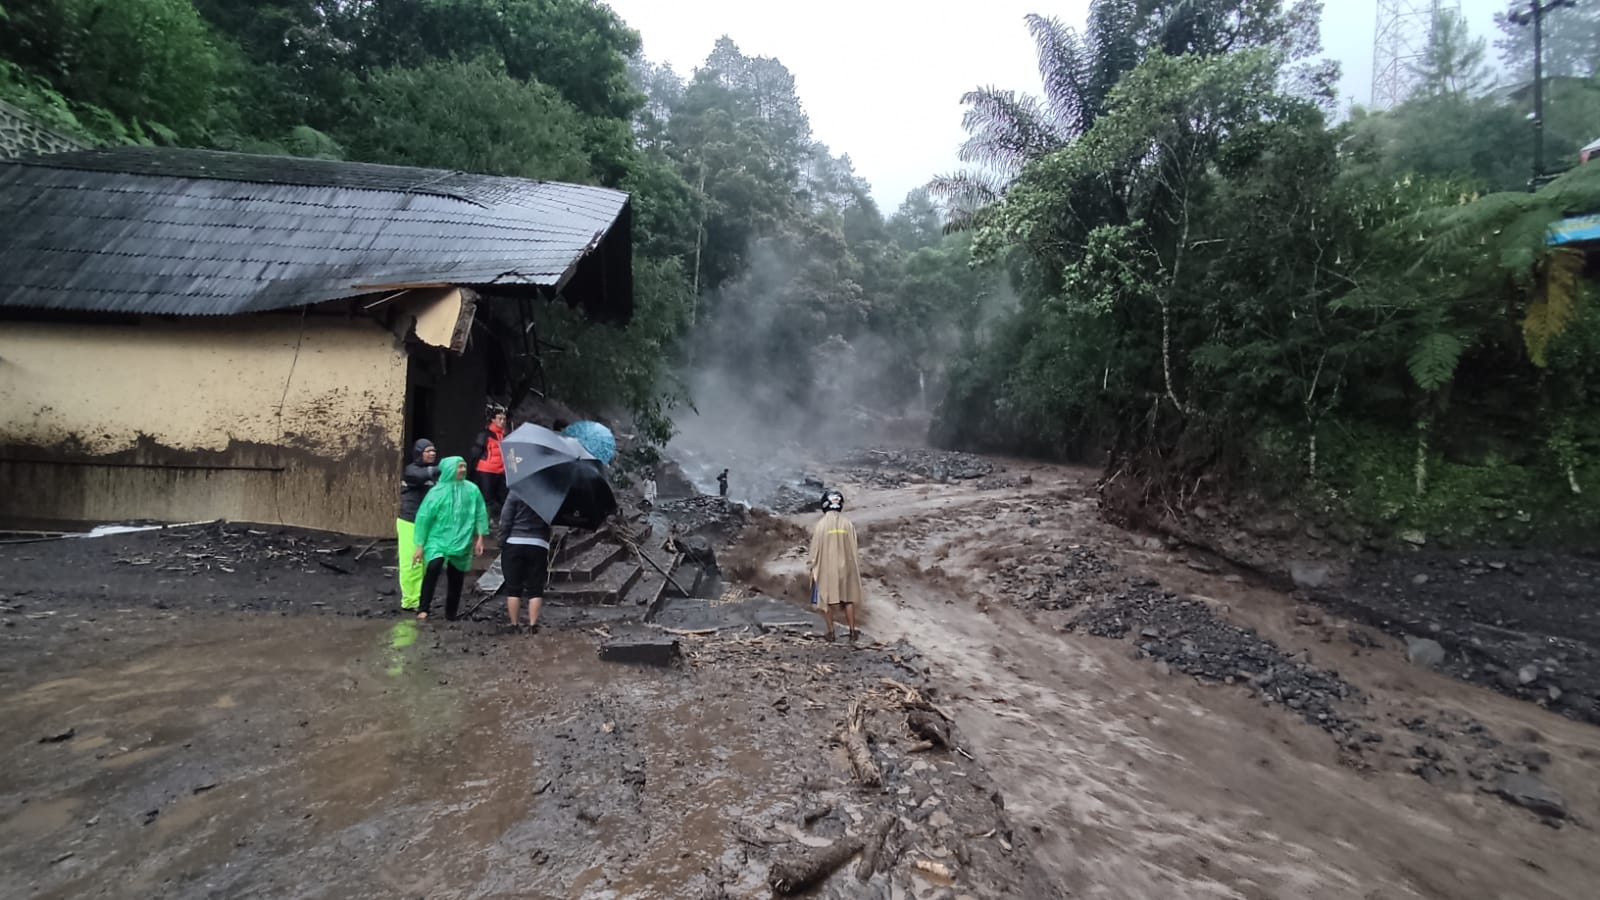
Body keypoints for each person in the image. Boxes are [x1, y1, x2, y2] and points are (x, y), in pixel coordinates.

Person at [412, 456, 489, 622]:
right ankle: (423, 608)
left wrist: (480, 537)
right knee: (434, 566)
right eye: (459, 467)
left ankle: (450, 613)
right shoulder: (436, 492)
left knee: (456, 576)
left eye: (463, 466)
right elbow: (423, 518)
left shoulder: (472, 490)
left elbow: (480, 513)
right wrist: (420, 545)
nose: (462, 470)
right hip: (437, 538)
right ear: (448, 470)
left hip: (461, 539)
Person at [808, 489, 864, 642]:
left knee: (824, 600)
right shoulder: (847, 524)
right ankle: (853, 632)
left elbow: (814, 551)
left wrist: (811, 565)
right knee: (848, 599)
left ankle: (831, 633)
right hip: (846, 568)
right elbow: (854, 547)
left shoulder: (820, 525)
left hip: (827, 570)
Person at [396, 438, 441, 611]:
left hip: (426, 522)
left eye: (434, 451)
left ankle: (419, 597)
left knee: (423, 562)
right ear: (419, 453)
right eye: (428, 451)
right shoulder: (411, 471)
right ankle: (410, 600)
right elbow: (422, 475)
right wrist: (444, 467)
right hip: (410, 521)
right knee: (411, 561)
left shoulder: (434, 474)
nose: (432, 453)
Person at [500, 492, 551, 632]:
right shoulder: (550, 495)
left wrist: (502, 541)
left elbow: (506, 518)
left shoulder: (516, 491)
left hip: (514, 543)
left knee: (513, 588)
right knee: (535, 588)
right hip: (539, 544)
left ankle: (514, 625)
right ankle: (533, 625)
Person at [469, 407, 509, 517]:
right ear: (493, 420)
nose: (502, 422)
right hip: (486, 470)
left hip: (501, 471)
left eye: (504, 419)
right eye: (500, 419)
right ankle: (485, 520)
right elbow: (476, 453)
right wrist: (473, 471)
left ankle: (497, 519)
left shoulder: (505, 436)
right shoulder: (485, 434)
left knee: (502, 498)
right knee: (486, 498)